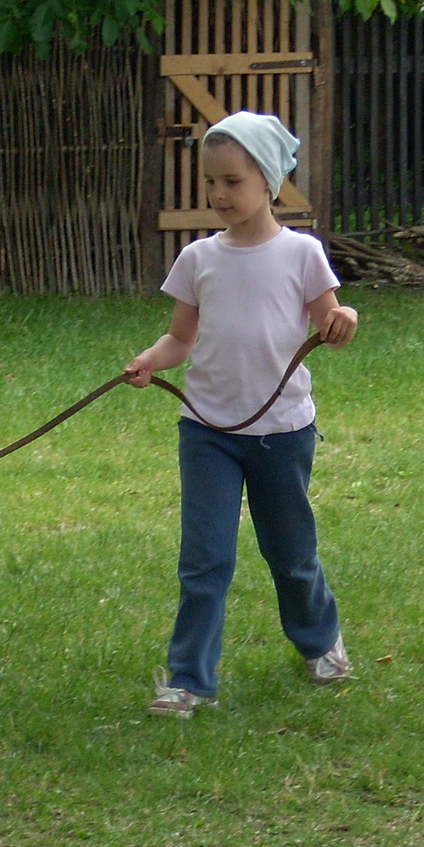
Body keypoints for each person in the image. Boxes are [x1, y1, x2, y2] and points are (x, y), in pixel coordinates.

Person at [124, 111, 360, 718]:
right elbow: (180, 339)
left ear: (270, 181)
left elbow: (330, 323)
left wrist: (344, 322)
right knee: (205, 558)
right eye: (212, 182)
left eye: (232, 181)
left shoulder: (302, 253)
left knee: (292, 553)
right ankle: (189, 679)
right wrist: (151, 360)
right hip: (208, 433)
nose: (218, 194)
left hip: (282, 433)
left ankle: (318, 639)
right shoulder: (199, 259)